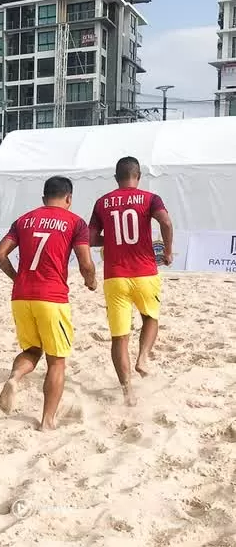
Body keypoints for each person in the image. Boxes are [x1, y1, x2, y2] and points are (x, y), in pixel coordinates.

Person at [0, 176, 97, 431]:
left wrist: (17, 278)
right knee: (57, 361)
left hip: (21, 296)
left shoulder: (24, 220)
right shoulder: (75, 222)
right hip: (51, 297)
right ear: (69, 198)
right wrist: (91, 281)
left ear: (43, 198)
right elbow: (85, 263)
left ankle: (16, 377)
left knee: (32, 350)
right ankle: (47, 420)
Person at [88, 156, 173, 406]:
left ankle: (128, 392)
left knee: (119, 337)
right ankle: (143, 357)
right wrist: (167, 251)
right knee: (151, 318)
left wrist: (112, 239)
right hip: (145, 272)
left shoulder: (102, 202)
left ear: (116, 178)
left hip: (115, 276)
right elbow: (166, 222)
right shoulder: (149, 198)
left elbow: (92, 239)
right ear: (138, 176)